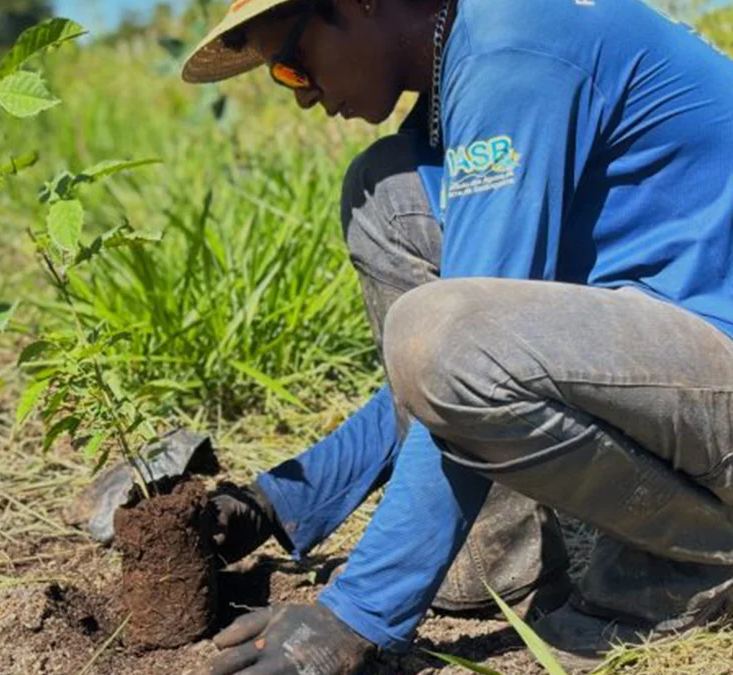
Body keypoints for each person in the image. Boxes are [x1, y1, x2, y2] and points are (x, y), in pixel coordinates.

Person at [180, 0, 733, 673]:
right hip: (675, 352)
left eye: (292, 66)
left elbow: (461, 357)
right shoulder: (470, 59)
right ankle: (498, 569)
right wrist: (279, 502)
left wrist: (356, 612)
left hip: (713, 368)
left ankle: (688, 556)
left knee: (441, 330)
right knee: (387, 197)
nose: (304, 96)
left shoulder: (514, 56)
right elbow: (461, 371)